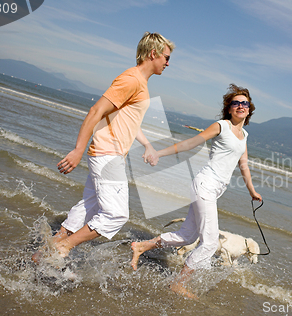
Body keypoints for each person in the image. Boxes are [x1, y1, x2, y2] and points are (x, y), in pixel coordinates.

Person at [32, 32, 175, 262]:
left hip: (110, 154)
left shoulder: (140, 83)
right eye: (166, 57)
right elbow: (96, 111)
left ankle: (44, 253)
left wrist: (147, 144)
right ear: (153, 54)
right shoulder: (131, 79)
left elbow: (129, 120)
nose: (168, 63)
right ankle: (64, 247)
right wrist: (78, 149)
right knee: (116, 215)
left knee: (89, 206)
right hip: (108, 154)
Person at [130, 84, 262, 298]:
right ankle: (179, 283)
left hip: (214, 189)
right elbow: (191, 143)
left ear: (249, 109)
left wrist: (252, 190)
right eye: (236, 103)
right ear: (229, 108)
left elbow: (243, 164)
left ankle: (141, 246)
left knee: (186, 235)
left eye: (244, 103)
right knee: (209, 243)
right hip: (205, 185)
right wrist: (159, 153)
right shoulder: (222, 126)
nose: (240, 106)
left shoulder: (244, 135)